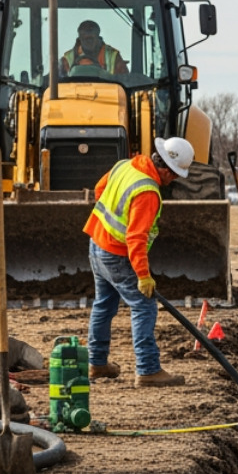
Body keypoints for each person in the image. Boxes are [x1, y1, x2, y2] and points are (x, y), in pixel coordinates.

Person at [83, 136, 196, 388]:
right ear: (166, 169)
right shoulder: (147, 192)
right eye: (175, 175)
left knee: (103, 304)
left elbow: (100, 190)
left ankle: (96, 362)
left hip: (97, 242)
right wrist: (143, 275)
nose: (173, 180)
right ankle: (148, 369)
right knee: (144, 307)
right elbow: (136, 237)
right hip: (116, 252)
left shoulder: (124, 165)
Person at [61, 19, 129, 79]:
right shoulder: (67, 60)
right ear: (79, 38)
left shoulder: (113, 57)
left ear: (98, 36)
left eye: (91, 39)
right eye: (85, 39)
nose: (88, 42)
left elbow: (125, 82)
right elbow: (56, 82)